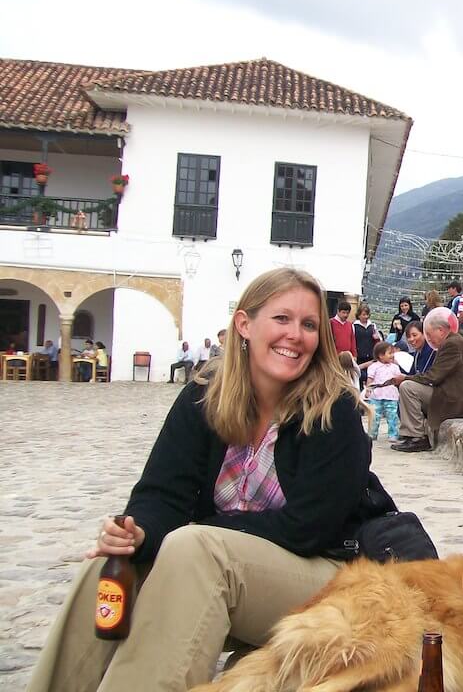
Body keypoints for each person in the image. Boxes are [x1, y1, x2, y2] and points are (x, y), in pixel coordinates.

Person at [27, 268, 397, 691]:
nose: (295, 335)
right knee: (109, 571)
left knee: (194, 549)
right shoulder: (204, 397)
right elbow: (162, 493)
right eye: (281, 319)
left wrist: (193, 535)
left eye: (309, 324)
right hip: (221, 573)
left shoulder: (336, 412)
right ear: (244, 324)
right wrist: (137, 533)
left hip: (328, 582)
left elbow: (309, 528)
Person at [390, 307, 463, 453]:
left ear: (440, 330)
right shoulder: (451, 342)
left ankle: (416, 437)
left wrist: (405, 378)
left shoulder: (452, 344)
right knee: (408, 386)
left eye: (428, 333)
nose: (428, 338)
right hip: (449, 395)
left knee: (408, 387)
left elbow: (434, 376)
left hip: (456, 400)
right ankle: (411, 434)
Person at [365, 341, 401, 443]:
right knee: (374, 416)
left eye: (392, 353)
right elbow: (370, 379)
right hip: (376, 395)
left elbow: (398, 379)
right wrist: (368, 390)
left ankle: (393, 434)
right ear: (381, 355)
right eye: (389, 353)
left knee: (392, 416)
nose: (392, 355)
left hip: (391, 395)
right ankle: (372, 433)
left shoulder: (395, 367)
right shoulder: (374, 367)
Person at [352, 304, 381, 384]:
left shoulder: (372, 326)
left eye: (367, 314)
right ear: (359, 315)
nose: (366, 316)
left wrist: (377, 338)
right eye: (363, 314)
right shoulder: (354, 326)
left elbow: (379, 341)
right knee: (360, 376)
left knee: (370, 376)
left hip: (371, 355)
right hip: (359, 355)